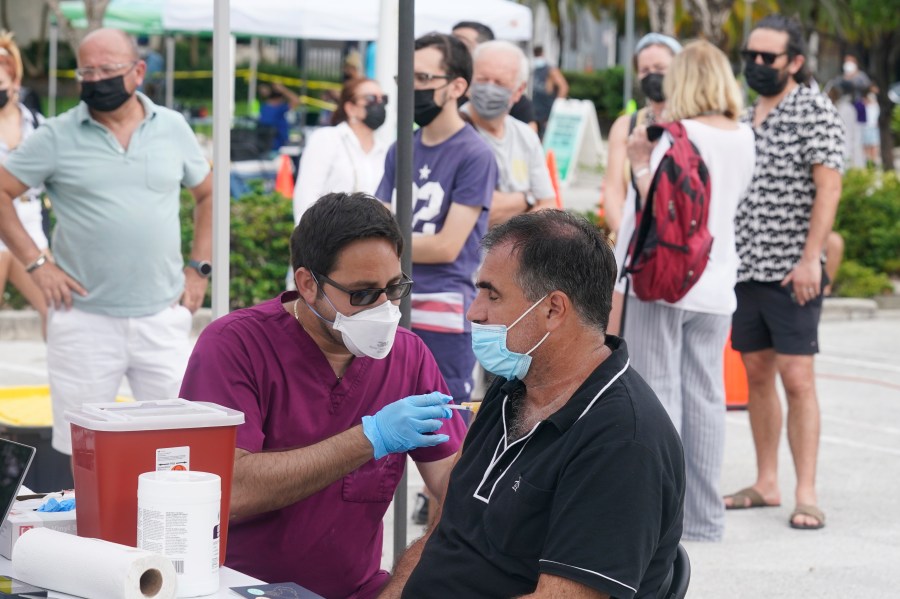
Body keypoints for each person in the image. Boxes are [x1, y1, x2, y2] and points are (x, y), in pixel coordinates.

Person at [379, 210, 685, 599]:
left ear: (553, 309)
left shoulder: (623, 441)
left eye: (492, 294)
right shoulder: (512, 388)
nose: (474, 311)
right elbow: (444, 529)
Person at [180, 192, 467, 599]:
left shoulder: (408, 356)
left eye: (394, 287)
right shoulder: (234, 346)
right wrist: (370, 439)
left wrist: (401, 584)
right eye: (363, 294)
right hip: (237, 589)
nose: (384, 308)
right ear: (308, 284)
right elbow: (229, 491)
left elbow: (459, 489)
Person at [0, 28, 212, 456]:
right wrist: (38, 265)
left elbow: (207, 195)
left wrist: (199, 268)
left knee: (177, 448)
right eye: (86, 71)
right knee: (84, 453)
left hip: (162, 316)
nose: (96, 80)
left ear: (137, 72)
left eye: (107, 70)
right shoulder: (57, 135)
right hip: (82, 322)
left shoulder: (172, 128)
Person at [622, 40, 755, 542]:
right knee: (706, 397)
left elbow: (650, 203)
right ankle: (705, 518)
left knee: (659, 393)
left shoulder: (672, 134)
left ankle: (662, 521)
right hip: (718, 279)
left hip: (666, 281)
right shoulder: (744, 136)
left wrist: (639, 160)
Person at [724, 15, 844, 531]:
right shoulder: (745, 112)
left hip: (792, 269)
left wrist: (809, 258)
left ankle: (807, 491)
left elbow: (830, 187)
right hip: (743, 267)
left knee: (798, 378)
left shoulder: (814, 110)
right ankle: (766, 480)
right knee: (756, 374)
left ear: (794, 62)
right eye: (750, 55)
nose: (756, 65)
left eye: (767, 58)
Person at [375, 32, 497, 409]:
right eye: (407, 79)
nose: (413, 89)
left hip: (443, 308)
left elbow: (448, 246)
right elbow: (373, 223)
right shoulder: (400, 148)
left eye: (425, 79)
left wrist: (387, 246)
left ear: (457, 86)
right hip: (390, 305)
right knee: (382, 424)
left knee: (445, 431)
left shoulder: (476, 154)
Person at [606, 33, 682, 335]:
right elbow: (613, 187)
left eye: (660, 67)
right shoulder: (628, 124)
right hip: (628, 248)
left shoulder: (689, 124)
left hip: (673, 249)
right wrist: (628, 236)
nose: (653, 76)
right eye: (645, 70)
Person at [463, 40, 556, 227]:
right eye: (482, 79)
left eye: (499, 83)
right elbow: (479, 214)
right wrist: (528, 200)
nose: (489, 89)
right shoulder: (454, 132)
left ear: (518, 91)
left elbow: (548, 205)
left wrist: (522, 202)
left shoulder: (525, 136)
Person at [0, 32, 48, 337]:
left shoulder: (39, 125)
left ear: (14, 80)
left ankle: (63, 381)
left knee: (57, 308)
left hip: (29, 217)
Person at [293, 77, 388, 224]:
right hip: (329, 239)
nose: (379, 104)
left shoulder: (386, 150)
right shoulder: (327, 139)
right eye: (371, 98)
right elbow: (306, 198)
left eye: (383, 99)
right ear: (350, 108)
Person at [451, 21, 538, 132]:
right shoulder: (447, 93)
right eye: (482, 80)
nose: (453, 51)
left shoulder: (522, 130)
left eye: (462, 44)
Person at [532, 45, 569, 139]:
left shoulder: (550, 70)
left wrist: (557, 106)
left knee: (547, 138)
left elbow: (563, 87)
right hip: (537, 110)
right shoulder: (535, 70)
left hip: (548, 110)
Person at [257, 81, 300, 152]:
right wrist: (283, 90)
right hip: (278, 146)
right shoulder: (279, 108)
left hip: (264, 145)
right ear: (279, 98)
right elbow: (296, 100)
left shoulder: (264, 108)